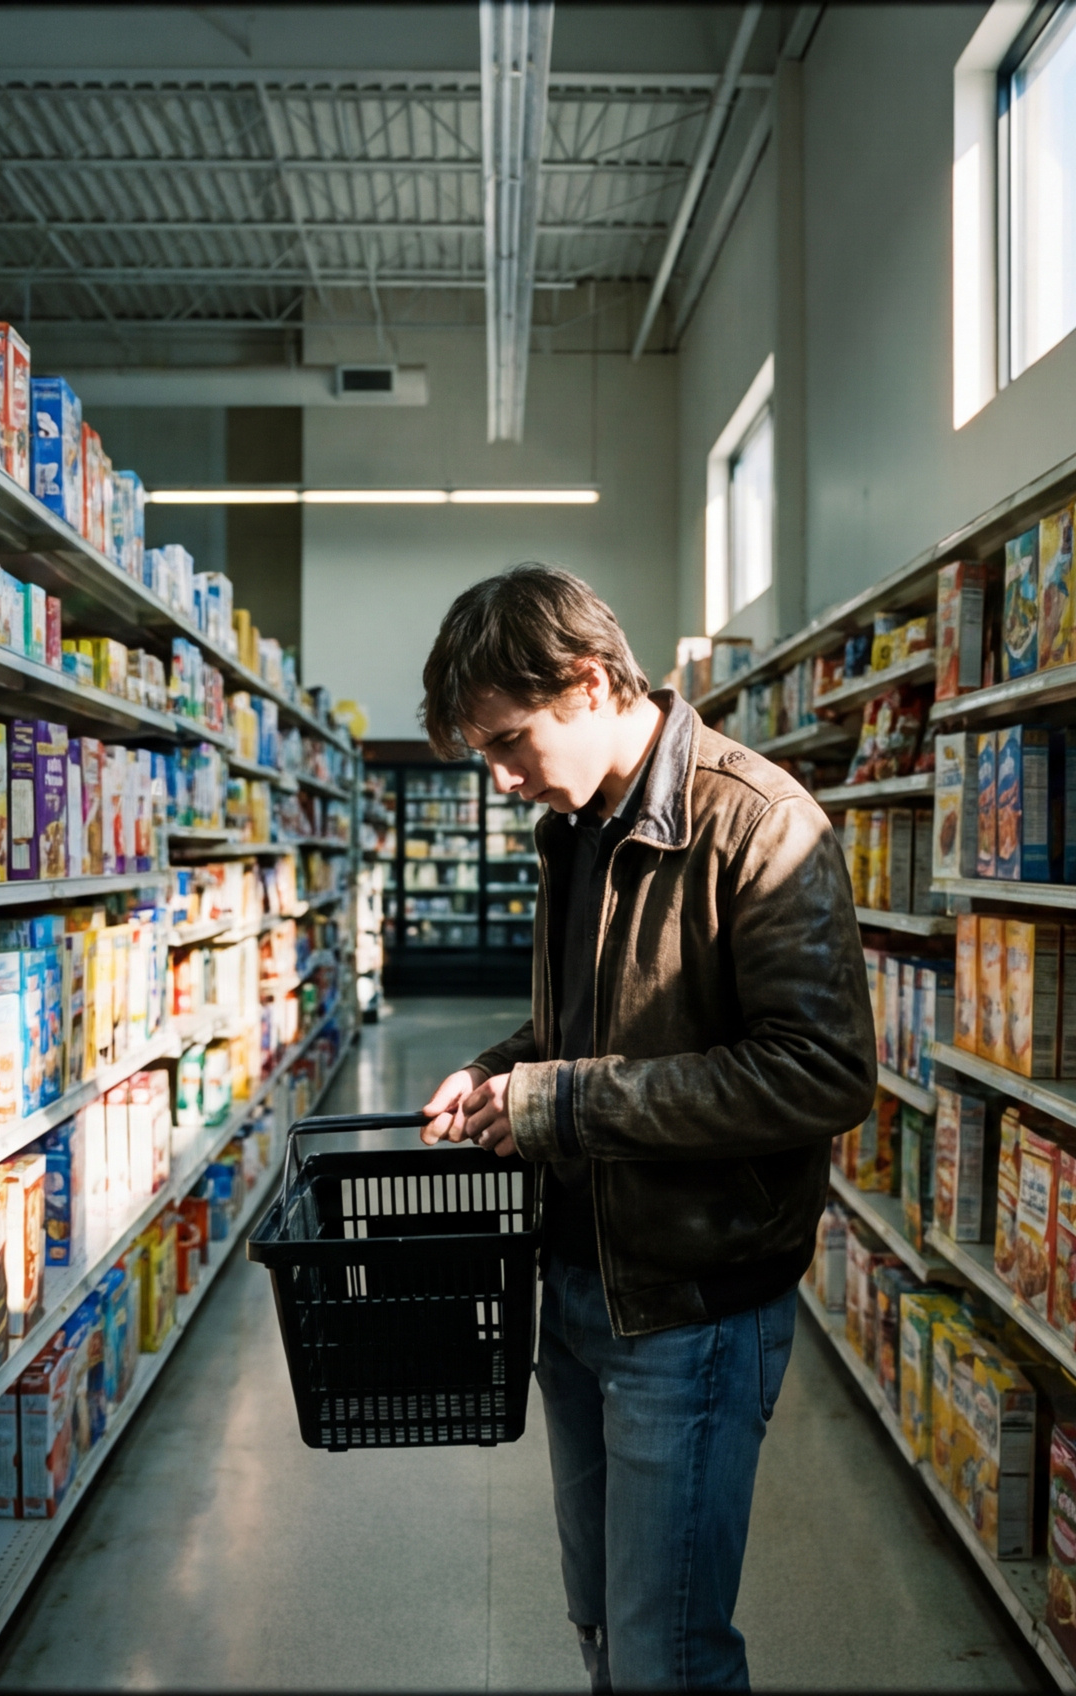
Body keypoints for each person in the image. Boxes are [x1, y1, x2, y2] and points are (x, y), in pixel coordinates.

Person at [416, 565, 875, 1691]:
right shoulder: (572, 828)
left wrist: (557, 1104)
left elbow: (820, 1074)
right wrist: (496, 1074)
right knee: (602, 1624)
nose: (499, 775)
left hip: (689, 1306)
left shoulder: (758, 820)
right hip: (573, 1288)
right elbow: (582, 1030)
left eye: (508, 740)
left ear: (585, 682)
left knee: (667, 1650)